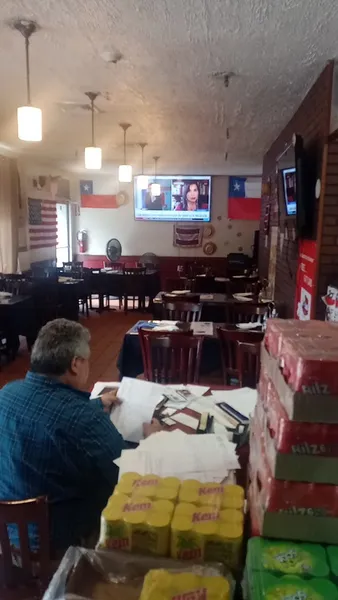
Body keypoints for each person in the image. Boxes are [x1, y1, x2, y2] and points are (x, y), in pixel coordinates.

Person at [0, 318, 161, 555]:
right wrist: (154, 441)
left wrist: (96, 404)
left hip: (8, 533)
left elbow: (48, 412)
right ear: (75, 364)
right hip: (56, 542)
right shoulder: (84, 419)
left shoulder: (7, 393)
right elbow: (130, 478)